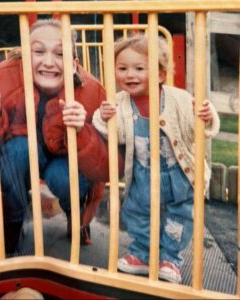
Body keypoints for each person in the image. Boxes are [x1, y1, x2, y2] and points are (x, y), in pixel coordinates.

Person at [0, 19, 121, 254]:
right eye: (39, 51)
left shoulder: (92, 91)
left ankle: (78, 218)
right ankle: (11, 225)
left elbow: (108, 166)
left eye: (60, 53)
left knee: (63, 177)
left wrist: (85, 132)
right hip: (20, 159)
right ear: (24, 56)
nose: (49, 62)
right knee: (17, 152)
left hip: (64, 163)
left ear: (74, 63)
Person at [92, 34, 220, 283]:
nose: (130, 75)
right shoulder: (119, 102)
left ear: (160, 74)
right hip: (141, 172)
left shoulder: (178, 98)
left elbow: (199, 131)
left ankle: (170, 259)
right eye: (122, 68)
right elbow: (114, 134)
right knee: (136, 213)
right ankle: (141, 254)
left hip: (178, 174)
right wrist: (104, 116)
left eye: (139, 68)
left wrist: (206, 115)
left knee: (179, 217)